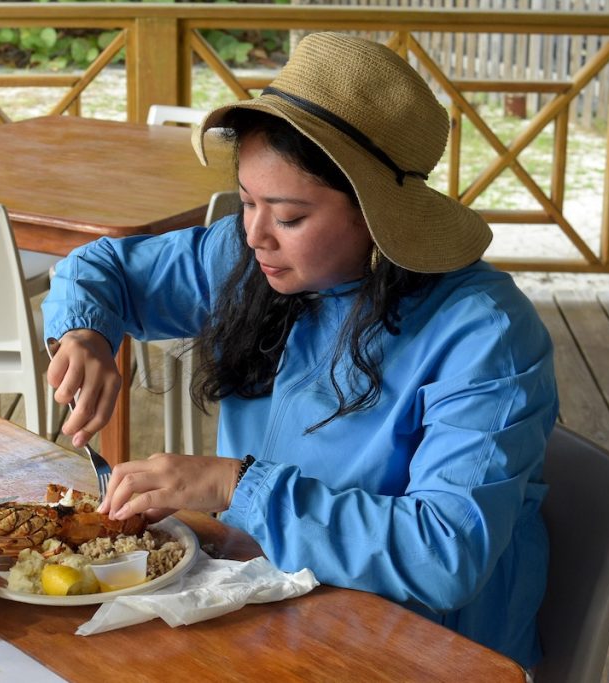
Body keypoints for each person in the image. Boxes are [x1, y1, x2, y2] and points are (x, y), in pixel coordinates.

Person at [42, 32, 557, 669]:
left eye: (287, 217)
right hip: (257, 601)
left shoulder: (485, 334)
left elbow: (446, 555)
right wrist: (85, 334)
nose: (255, 234)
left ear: (378, 216)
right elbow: (102, 268)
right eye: (247, 201)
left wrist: (232, 485)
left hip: (418, 649)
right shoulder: (247, 257)